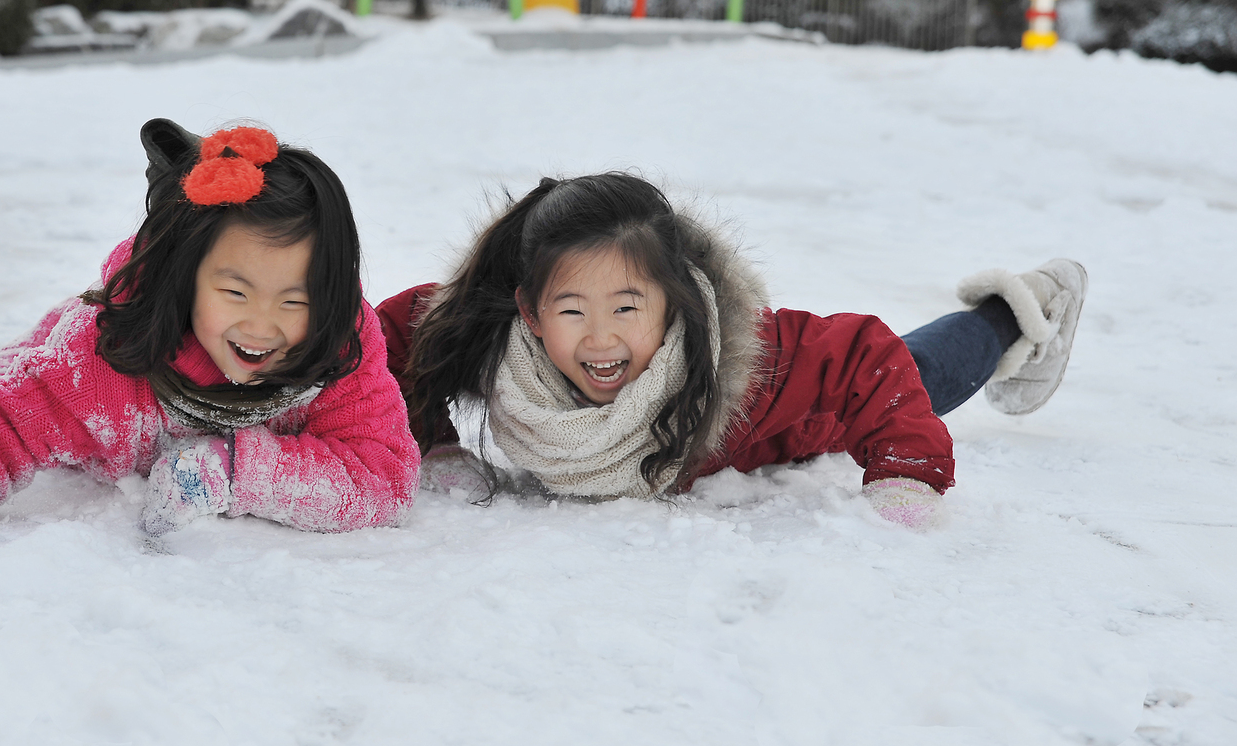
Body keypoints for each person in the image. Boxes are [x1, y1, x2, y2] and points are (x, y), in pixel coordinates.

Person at [0, 120, 421, 545]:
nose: (263, 325)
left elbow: (385, 474)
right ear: (185, 279)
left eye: (296, 300)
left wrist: (234, 469)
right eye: (234, 293)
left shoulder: (339, 353)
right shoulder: (98, 361)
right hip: (46, 361)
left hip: (65, 377)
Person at [378, 172, 1087, 529]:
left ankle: (1020, 311)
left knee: (920, 369)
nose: (600, 338)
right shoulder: (497, 340)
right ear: (531, 313)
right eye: (572, 311)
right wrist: (434, 443)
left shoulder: (753, 363)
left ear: (674, 303)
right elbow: (392, 344)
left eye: (627, 308)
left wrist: (905, 472)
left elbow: (865, 356)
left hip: (819, 418)